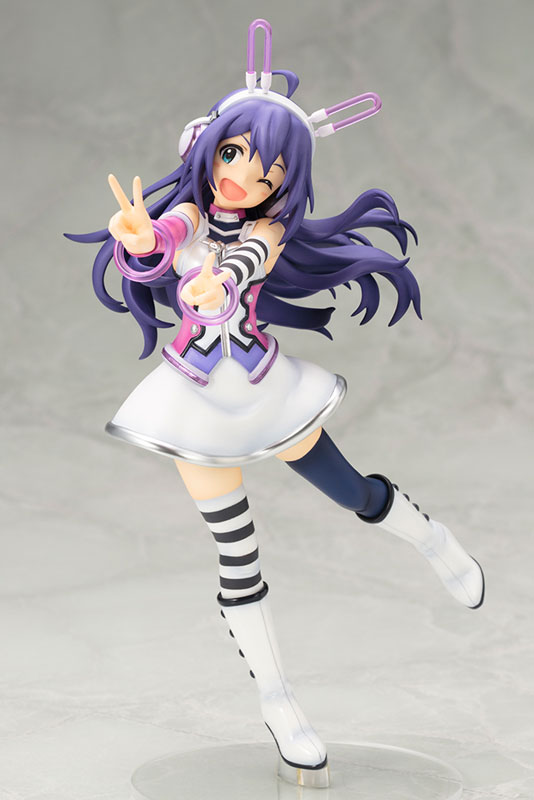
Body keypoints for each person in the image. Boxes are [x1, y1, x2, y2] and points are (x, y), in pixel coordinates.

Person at [67, 18, 484, 788]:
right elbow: (163, 241)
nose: (243, 177)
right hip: (192, 399)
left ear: (282, 186)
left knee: (351, 491)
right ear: (208, 149)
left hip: (264, 387)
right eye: (233, 155)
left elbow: (247, 262)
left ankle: (430, 538)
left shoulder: (267, 232)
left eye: (267, 171)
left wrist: (218, 284)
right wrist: (138, 241)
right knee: (238, 555)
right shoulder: (192, 214)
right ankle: (279, 702)